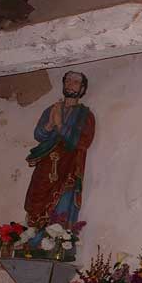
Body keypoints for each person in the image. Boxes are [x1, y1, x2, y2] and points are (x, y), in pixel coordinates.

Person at [24, 71, 95, 231]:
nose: (70, 84)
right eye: (68, 81)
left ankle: (57, 243)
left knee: (63, 201)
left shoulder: (86, 116)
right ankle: (33, 238)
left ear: (82, 89)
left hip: (68, 166)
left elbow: (84, 141)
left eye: (75, 82)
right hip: (46, 164)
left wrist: (60, 125)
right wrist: (50, 123)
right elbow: (39, 134)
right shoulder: (51, 109)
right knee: (37, 201)